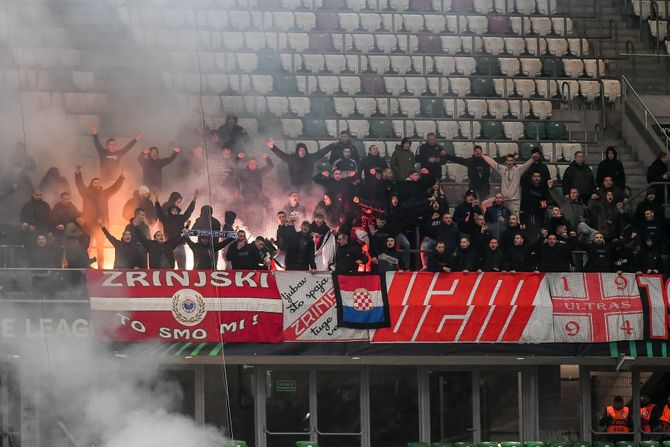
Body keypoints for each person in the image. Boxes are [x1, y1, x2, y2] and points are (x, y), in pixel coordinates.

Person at [75, 166, 125, 267]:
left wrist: (122, 177)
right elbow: (80, 185)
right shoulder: (86, 193)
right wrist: (77, 173)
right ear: (91, 184)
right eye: (95, 182)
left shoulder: (104, 193)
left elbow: (115, 187)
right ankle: (85, 266)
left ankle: (100, 268)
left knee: (100, 248)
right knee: (87, 245)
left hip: (102, 224)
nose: (97, 184)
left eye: (98, 182)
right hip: (89, 224)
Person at [267, 139, 332, 191]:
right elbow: (281, 155)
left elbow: (321, 152)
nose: (302, 152)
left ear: (306, 151)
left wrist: (332, 145)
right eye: (300, 150)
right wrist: (273, 147)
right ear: (297, 151)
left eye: (303, 150)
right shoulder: (292, 158)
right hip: (296, 187)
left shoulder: (310, 157)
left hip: (308, 187)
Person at [155, 190, 197, 269]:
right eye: (173, 210)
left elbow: (188, 212)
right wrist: (156, 199)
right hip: (170, 247)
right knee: (169, 269)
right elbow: (159, 213)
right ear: (169, 211)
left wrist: (194, 199)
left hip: (180, 246)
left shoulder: (181, 219)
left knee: (183, 269)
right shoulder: (166, 219)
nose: (175, 211)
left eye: (176, 210)